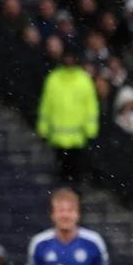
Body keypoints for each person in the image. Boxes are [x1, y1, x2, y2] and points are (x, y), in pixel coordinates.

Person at [37, 49, 99, 186]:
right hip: (57, 137)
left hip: (78, 137)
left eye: (72, 57)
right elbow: (46, 105)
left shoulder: (84, 80)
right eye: (67, 57)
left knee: (75, 173)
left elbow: (91, 107)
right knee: (61, 174)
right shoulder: (53, 79)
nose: (69, 61)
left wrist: (91, 130)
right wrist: (43, 128)